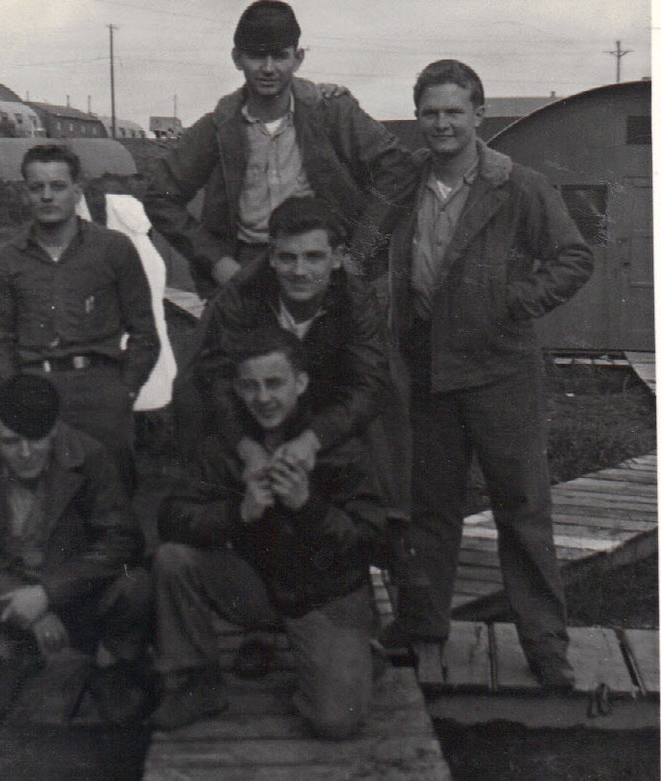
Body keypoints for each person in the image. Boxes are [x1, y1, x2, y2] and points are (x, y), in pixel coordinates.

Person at [383, 60, 594, 688]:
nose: (442, 124)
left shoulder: (517, 185)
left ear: (479, 114)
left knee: (522, 507)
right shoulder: (405, 187)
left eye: (454, 111)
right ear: (417, 117)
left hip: (501, 371)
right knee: (431, 508)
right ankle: (423, 624)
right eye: (430, 112)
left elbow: (573, 257)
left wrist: (514, 302)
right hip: (428, 370)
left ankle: (545, 645)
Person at [152, 327, 390, 735]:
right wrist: (236, 513)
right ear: (238, 390)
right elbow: (172, 517)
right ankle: (198, 682)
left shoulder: (336, 445)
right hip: (259, 589)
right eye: (250, 386)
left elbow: (374, 542)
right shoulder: (227, 446)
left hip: (325, 597)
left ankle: (355, 649)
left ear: (301, 382)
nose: (263, 398)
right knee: (173, 559)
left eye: (275, 383)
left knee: (337, 720)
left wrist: (309, 507)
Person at [181, 194, 414, 583]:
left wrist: (313, 438)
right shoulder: (242, 293)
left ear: (337, 258)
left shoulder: (356, 299)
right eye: (287, 257)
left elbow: (368, 383)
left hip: (328, 405)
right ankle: (211, 545)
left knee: (387, 406)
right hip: (256, 403)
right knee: (190, 394)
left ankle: (391, 534)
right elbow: (217, 374)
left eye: (313, 257)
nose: (300, 270)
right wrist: (246, 446)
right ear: (271, 257)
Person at [144, 0, 414, 298]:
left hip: (324, 269)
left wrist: (357, 254)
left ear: (298, 58)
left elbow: (398, 170)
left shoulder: (330, 111)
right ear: (237, 58)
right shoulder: (217, 126)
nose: (269, 68)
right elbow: (160, 196)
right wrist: (216, 261)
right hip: (248, 272)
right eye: (257, 56)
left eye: (280, 56)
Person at [0, 374, 152, 693]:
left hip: (75, 593)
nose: (26, 452)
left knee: (135, 585)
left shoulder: (89, 455)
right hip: (6, 598)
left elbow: (123, 541)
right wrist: (31, 611)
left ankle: (113, 667)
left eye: (37, 438)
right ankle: (8, 654)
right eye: (11, 440)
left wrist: (48, 594)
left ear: (54, 429)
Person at [0, 143, 160, 489]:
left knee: (112, 497)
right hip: (34, 389)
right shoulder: (8, 260)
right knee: (46, 502)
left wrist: (123, 391)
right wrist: (11, 400)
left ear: (77, 191)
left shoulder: (113, 249)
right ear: (25, 194)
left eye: (58, 186)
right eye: (37, 188)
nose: (47, 196)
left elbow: (145, 332)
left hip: (100, 391)